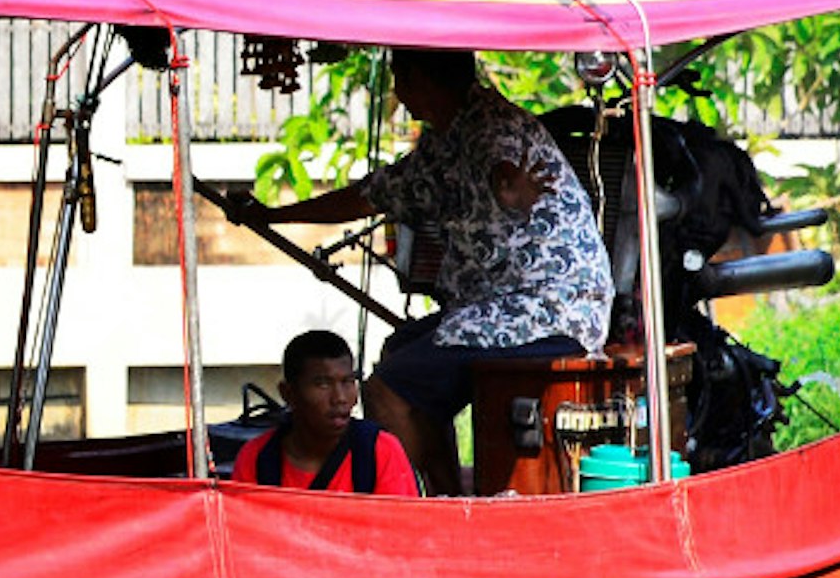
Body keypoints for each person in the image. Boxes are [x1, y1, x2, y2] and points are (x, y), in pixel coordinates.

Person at [253, 46, 610, 490]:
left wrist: (509, 191)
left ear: (420, 80)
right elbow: (370, 194)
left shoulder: (490, 125)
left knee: (386, 388)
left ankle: (417, 507)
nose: (398, 94)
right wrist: (273, 216)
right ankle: (445, 492)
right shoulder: (446, 138)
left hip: (546, 311)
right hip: (500, 307)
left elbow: (503, 169)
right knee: (399, 354)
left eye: (400, 79)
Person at [234, 329, 419, 494]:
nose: (340, 398)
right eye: (323, 384)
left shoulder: (379, 452)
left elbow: (402, 529)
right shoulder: (256, 459)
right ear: (288, 393)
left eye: (347, 382)